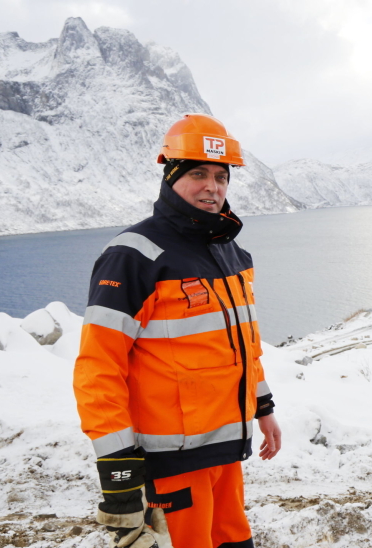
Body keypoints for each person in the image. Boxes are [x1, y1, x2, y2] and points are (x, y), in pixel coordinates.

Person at [73, 113, 282, 548]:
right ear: (171, 178)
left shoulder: (230, 252)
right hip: (171, 463)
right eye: (199, 174)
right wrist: (119, 474)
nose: (213, 187)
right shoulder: (134, 256)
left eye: (221, 176)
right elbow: (98, 368)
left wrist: (263, 408)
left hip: (225, 454)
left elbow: (241, 347)